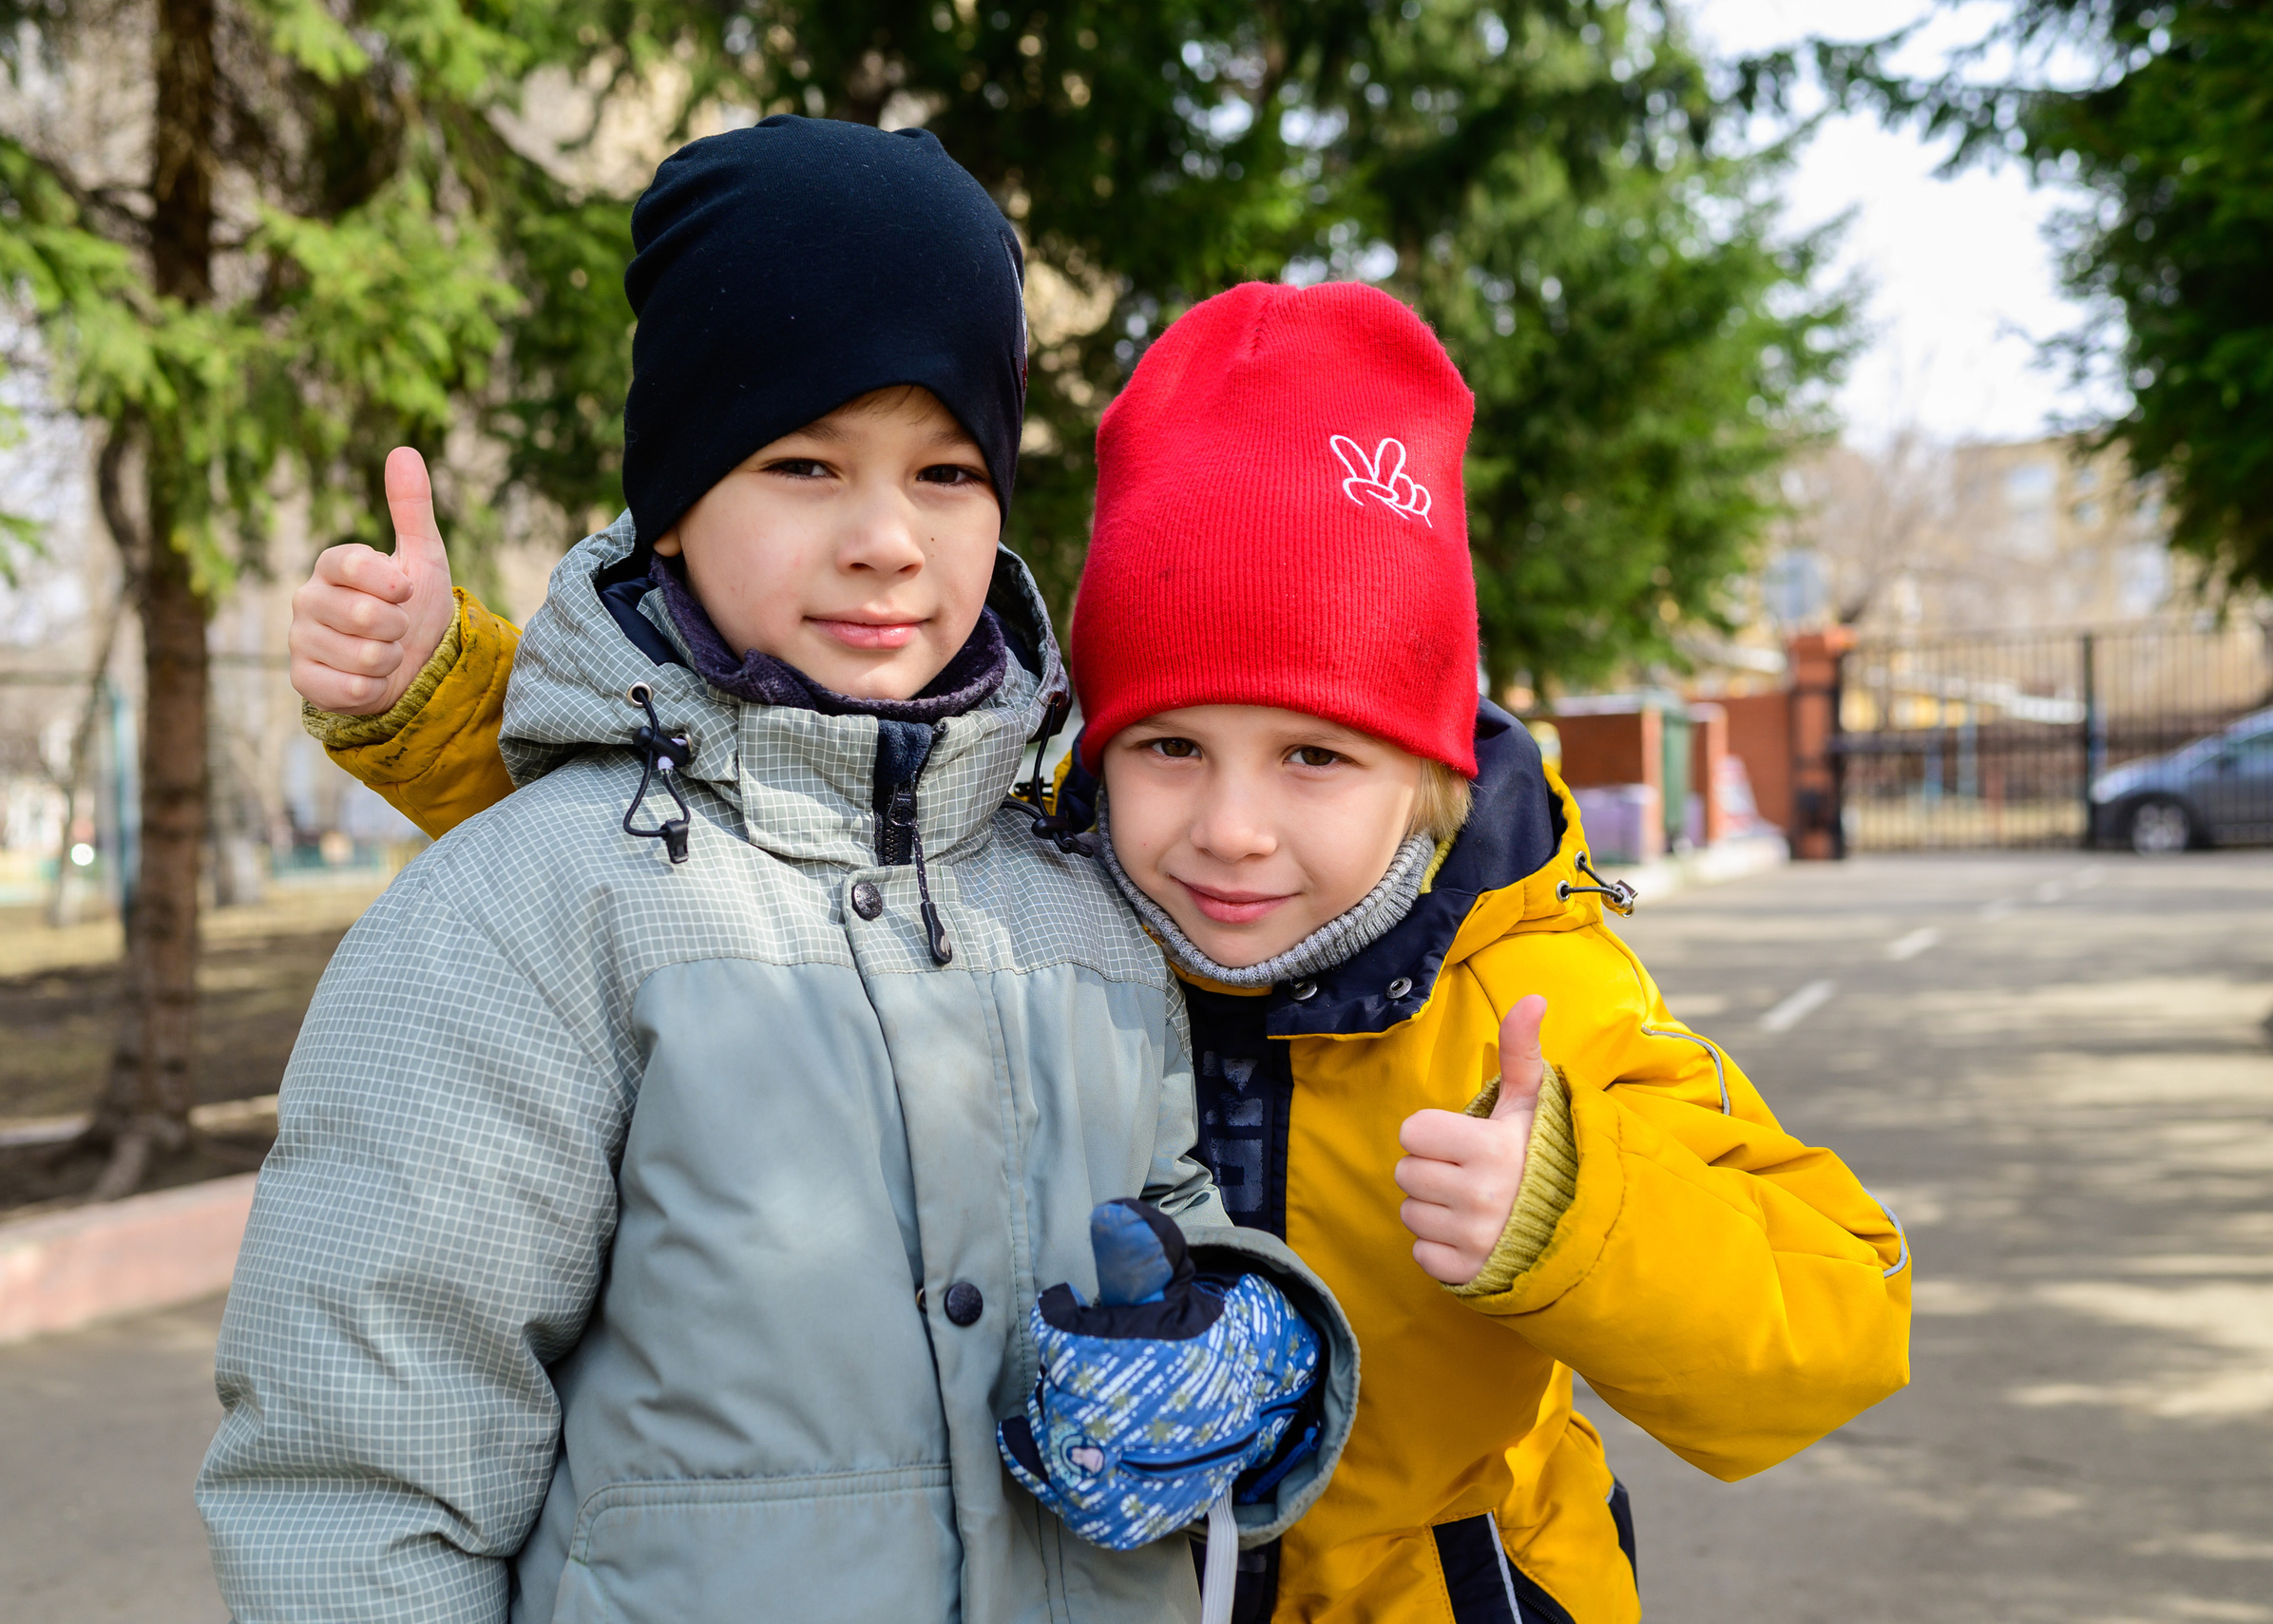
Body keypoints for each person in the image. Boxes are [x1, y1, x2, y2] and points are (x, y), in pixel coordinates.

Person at [292, 277, 1913, 1623]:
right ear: (1092, 746)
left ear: (1429, 770)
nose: (1231, 830)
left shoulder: (1518, 987)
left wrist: (1570, 1213)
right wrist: (438, 690)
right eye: (1172, 748)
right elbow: (722, 830)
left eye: (1316, 758)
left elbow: (1836, 1318)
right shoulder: (1036, 891)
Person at [207, 116, 1359, 1624]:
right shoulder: (532, 917)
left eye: (946, 471)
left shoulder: (1078, 899)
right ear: (675, 504)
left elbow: (1168, 1211)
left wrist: (1231, 1340)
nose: (887, 538)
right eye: (805, 462)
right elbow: (359, 1470)